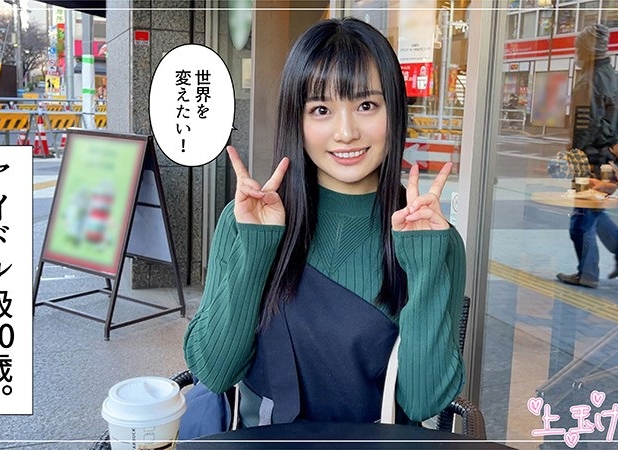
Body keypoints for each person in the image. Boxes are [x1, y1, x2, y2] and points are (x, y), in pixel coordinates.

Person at [183, 17, 466, 427]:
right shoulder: (248, 219)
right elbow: (213, 371)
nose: (346, 132)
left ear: (394, 110)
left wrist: (425, 265)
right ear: (296, 121)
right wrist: (256, 248)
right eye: (321, 109)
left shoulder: (432, 237)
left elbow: (424, 402)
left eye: (366, 106)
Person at [556, 24, 618, 289]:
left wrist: (574, 154)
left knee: (581, 220)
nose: (576, 52)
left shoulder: (589, 80)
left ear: (587, 49)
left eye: (578, 47)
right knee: (595, 212)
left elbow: (586, 124)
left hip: (591, 160)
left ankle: (588, 273)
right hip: (611, 158)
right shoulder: (615, 77)